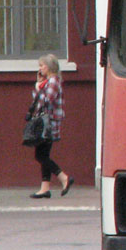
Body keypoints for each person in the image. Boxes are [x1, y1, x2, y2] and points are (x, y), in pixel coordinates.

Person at [28, 53, 73, 199]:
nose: (40, 68)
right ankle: (45, 188)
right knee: (44, 154)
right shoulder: (48, 82)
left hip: (48, 123)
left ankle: (63, 177)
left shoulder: (53, 81)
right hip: (46, 122)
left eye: (42, 65)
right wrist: (39, 85)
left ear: (49, 67)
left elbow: (46, 100)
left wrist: (37, 86)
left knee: (40, 155)